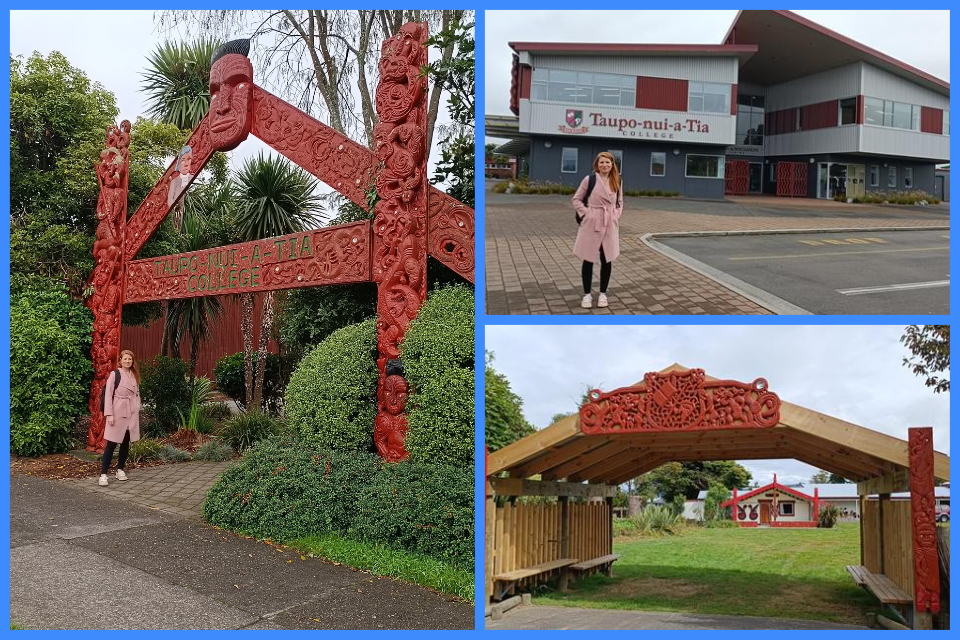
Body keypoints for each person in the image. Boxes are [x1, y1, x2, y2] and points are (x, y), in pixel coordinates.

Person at [572, 151, 623, 308]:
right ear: (597, 164)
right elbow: (576, 199)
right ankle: (587, 295)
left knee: (606, 259)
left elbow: (619, 202)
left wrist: (615, 215)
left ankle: (602, 294)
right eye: (602, 162)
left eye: (608, 162)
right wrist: (588, 214)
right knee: (588, 259)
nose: (605, 165)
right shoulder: (590, 179)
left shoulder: (618, 180)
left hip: (609, 223)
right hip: (592, 223)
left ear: (612, 164)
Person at [99, 349, 142, 486]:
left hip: (131, 413)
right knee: (111, 444)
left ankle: (120, 469)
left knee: (125, 443)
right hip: (117, 412)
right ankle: (103, 474)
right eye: (125, 359)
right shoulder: (115, 374)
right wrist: (109, 414)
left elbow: (137, 394)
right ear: (120, 361)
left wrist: (136, 408)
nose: (127, 361)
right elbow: (108, 394)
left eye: (130, 359)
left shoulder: (134, 375)